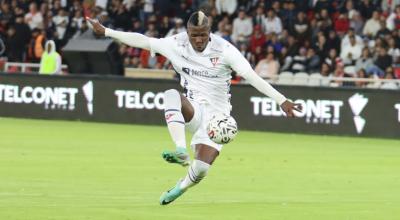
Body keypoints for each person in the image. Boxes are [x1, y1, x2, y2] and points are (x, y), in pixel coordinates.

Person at [87, 11, 301, 205]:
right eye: (194, 35)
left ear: (210, 31)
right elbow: (143, 41)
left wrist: (281, 99)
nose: (199, 40)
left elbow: (252, 77)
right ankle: (180, 149)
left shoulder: (225, 50)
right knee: (171, 95)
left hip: (218, 120)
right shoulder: (176, 44)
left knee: (201, 170)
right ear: (187, 32)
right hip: (195, 110)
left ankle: (180, 188)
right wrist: (106, 31)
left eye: (203, 34)